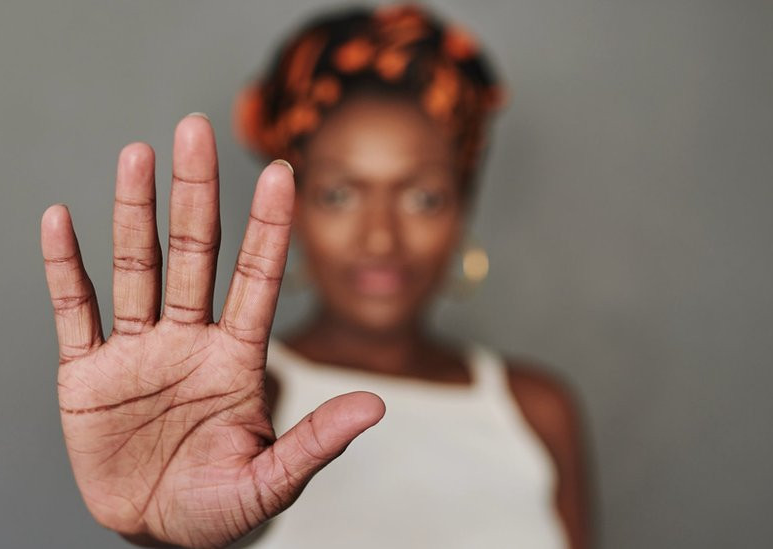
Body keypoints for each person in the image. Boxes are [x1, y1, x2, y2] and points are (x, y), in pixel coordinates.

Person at [39, 4, 590, 548]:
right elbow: (191, 500)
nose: (380, 238)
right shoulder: (232, 401)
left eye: (422, 197)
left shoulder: (537, 410)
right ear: (293, 205)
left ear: (464, 206)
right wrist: (157, 534)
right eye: (339, 194)